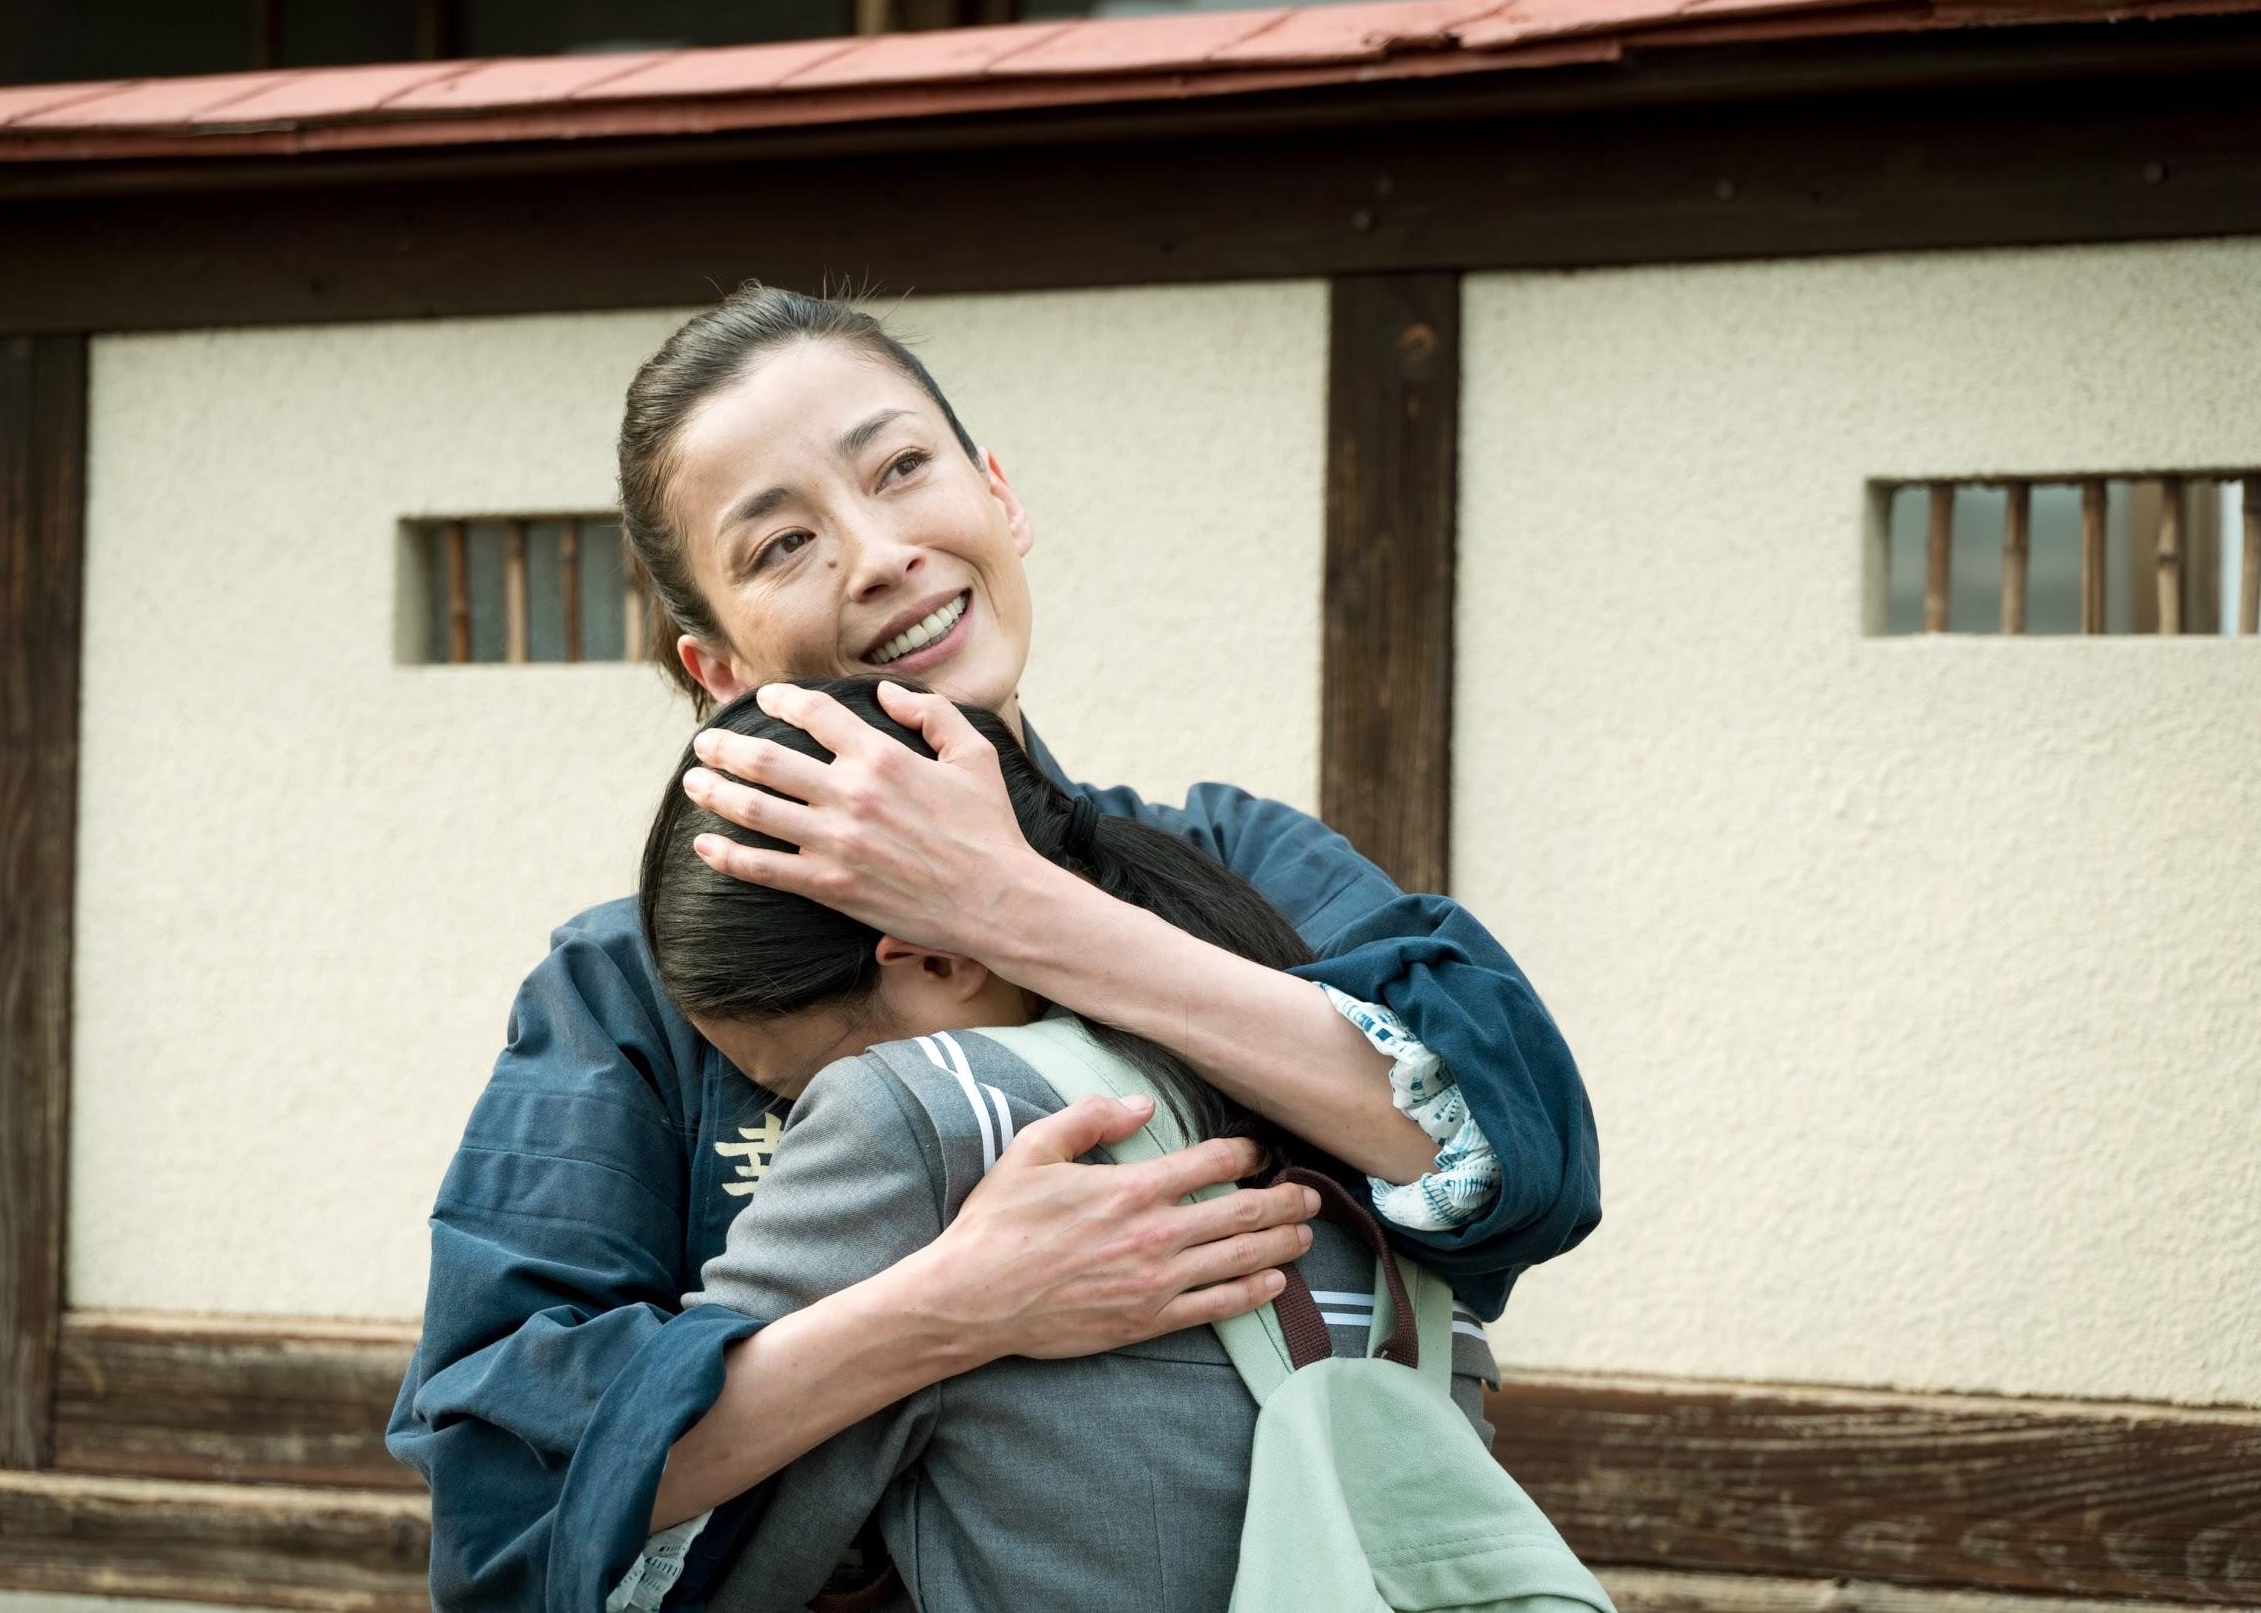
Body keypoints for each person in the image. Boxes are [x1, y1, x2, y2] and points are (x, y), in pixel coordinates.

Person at [385, 285, 1600, 1611]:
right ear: (717, 667)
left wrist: (1017, 908)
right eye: (781, 543)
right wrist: (954, 1308)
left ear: (1000, 497)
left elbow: (1517, 1148)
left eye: (901, 468)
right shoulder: (629, 983)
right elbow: (507, 1492)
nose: (877, 553)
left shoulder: (1238, 861)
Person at [642, 678, 1500, 1613]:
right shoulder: (1363, 1093)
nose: (800, 1111)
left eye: (798, 1080)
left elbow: (667, 1526)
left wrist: (943, 1309)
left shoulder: (920, 1113)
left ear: (935, 960)